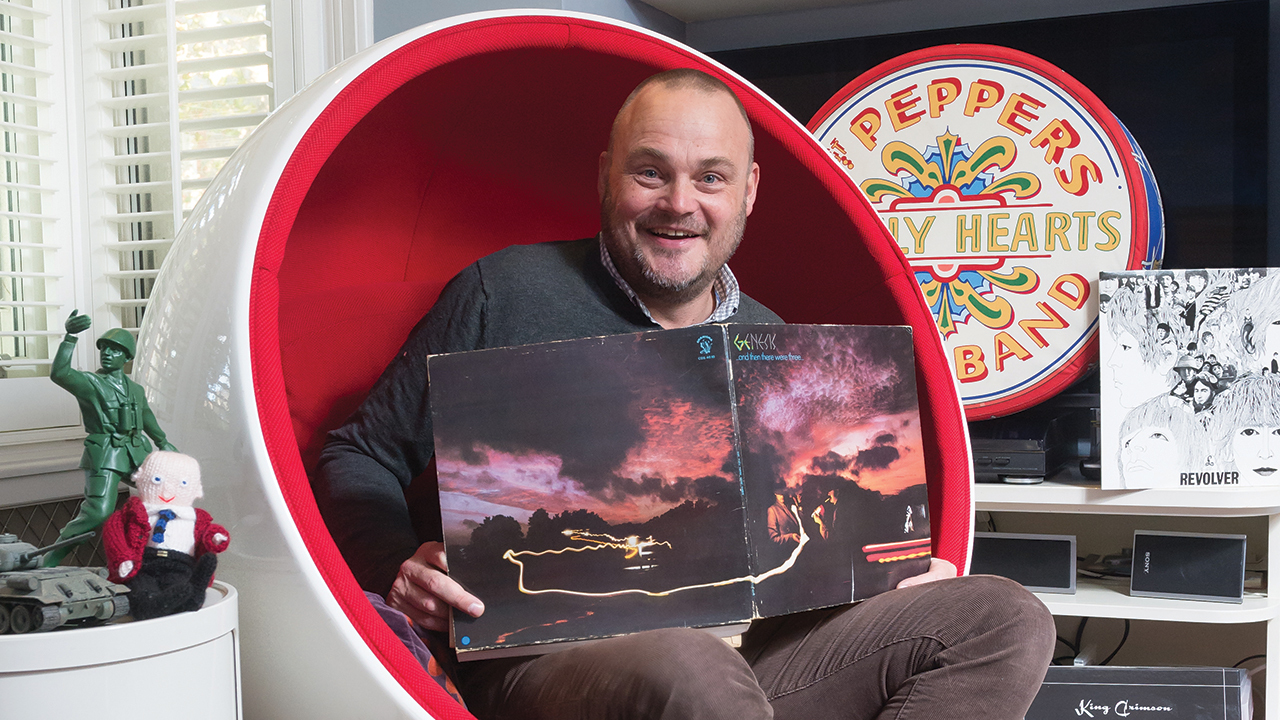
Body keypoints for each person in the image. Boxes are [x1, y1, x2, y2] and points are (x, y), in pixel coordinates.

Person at [316, 68, 1054, 720]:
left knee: (1005, 617)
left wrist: (886, 576)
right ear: (607, 174)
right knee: (693, 669)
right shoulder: (503, 292)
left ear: (748, 191)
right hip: (548, 663)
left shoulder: (777, 341)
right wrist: (396, 566)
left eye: (710, 177)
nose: (679, 204)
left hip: (754, 665)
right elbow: (356, 454)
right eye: (650, 172)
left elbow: (799, 536)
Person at [43, 310, 177, 567]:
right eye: (104, 348)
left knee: (167, 495)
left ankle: (162, 557)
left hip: (135, 450)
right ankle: (50, 560)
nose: (107, 353)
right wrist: (70, 337)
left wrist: (162, 441)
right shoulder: (90, 383)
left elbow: (146, 415)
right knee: (98, 512)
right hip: (105, 453)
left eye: (115, 350)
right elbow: (60, 374)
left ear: (127, 357)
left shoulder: (135, 389)